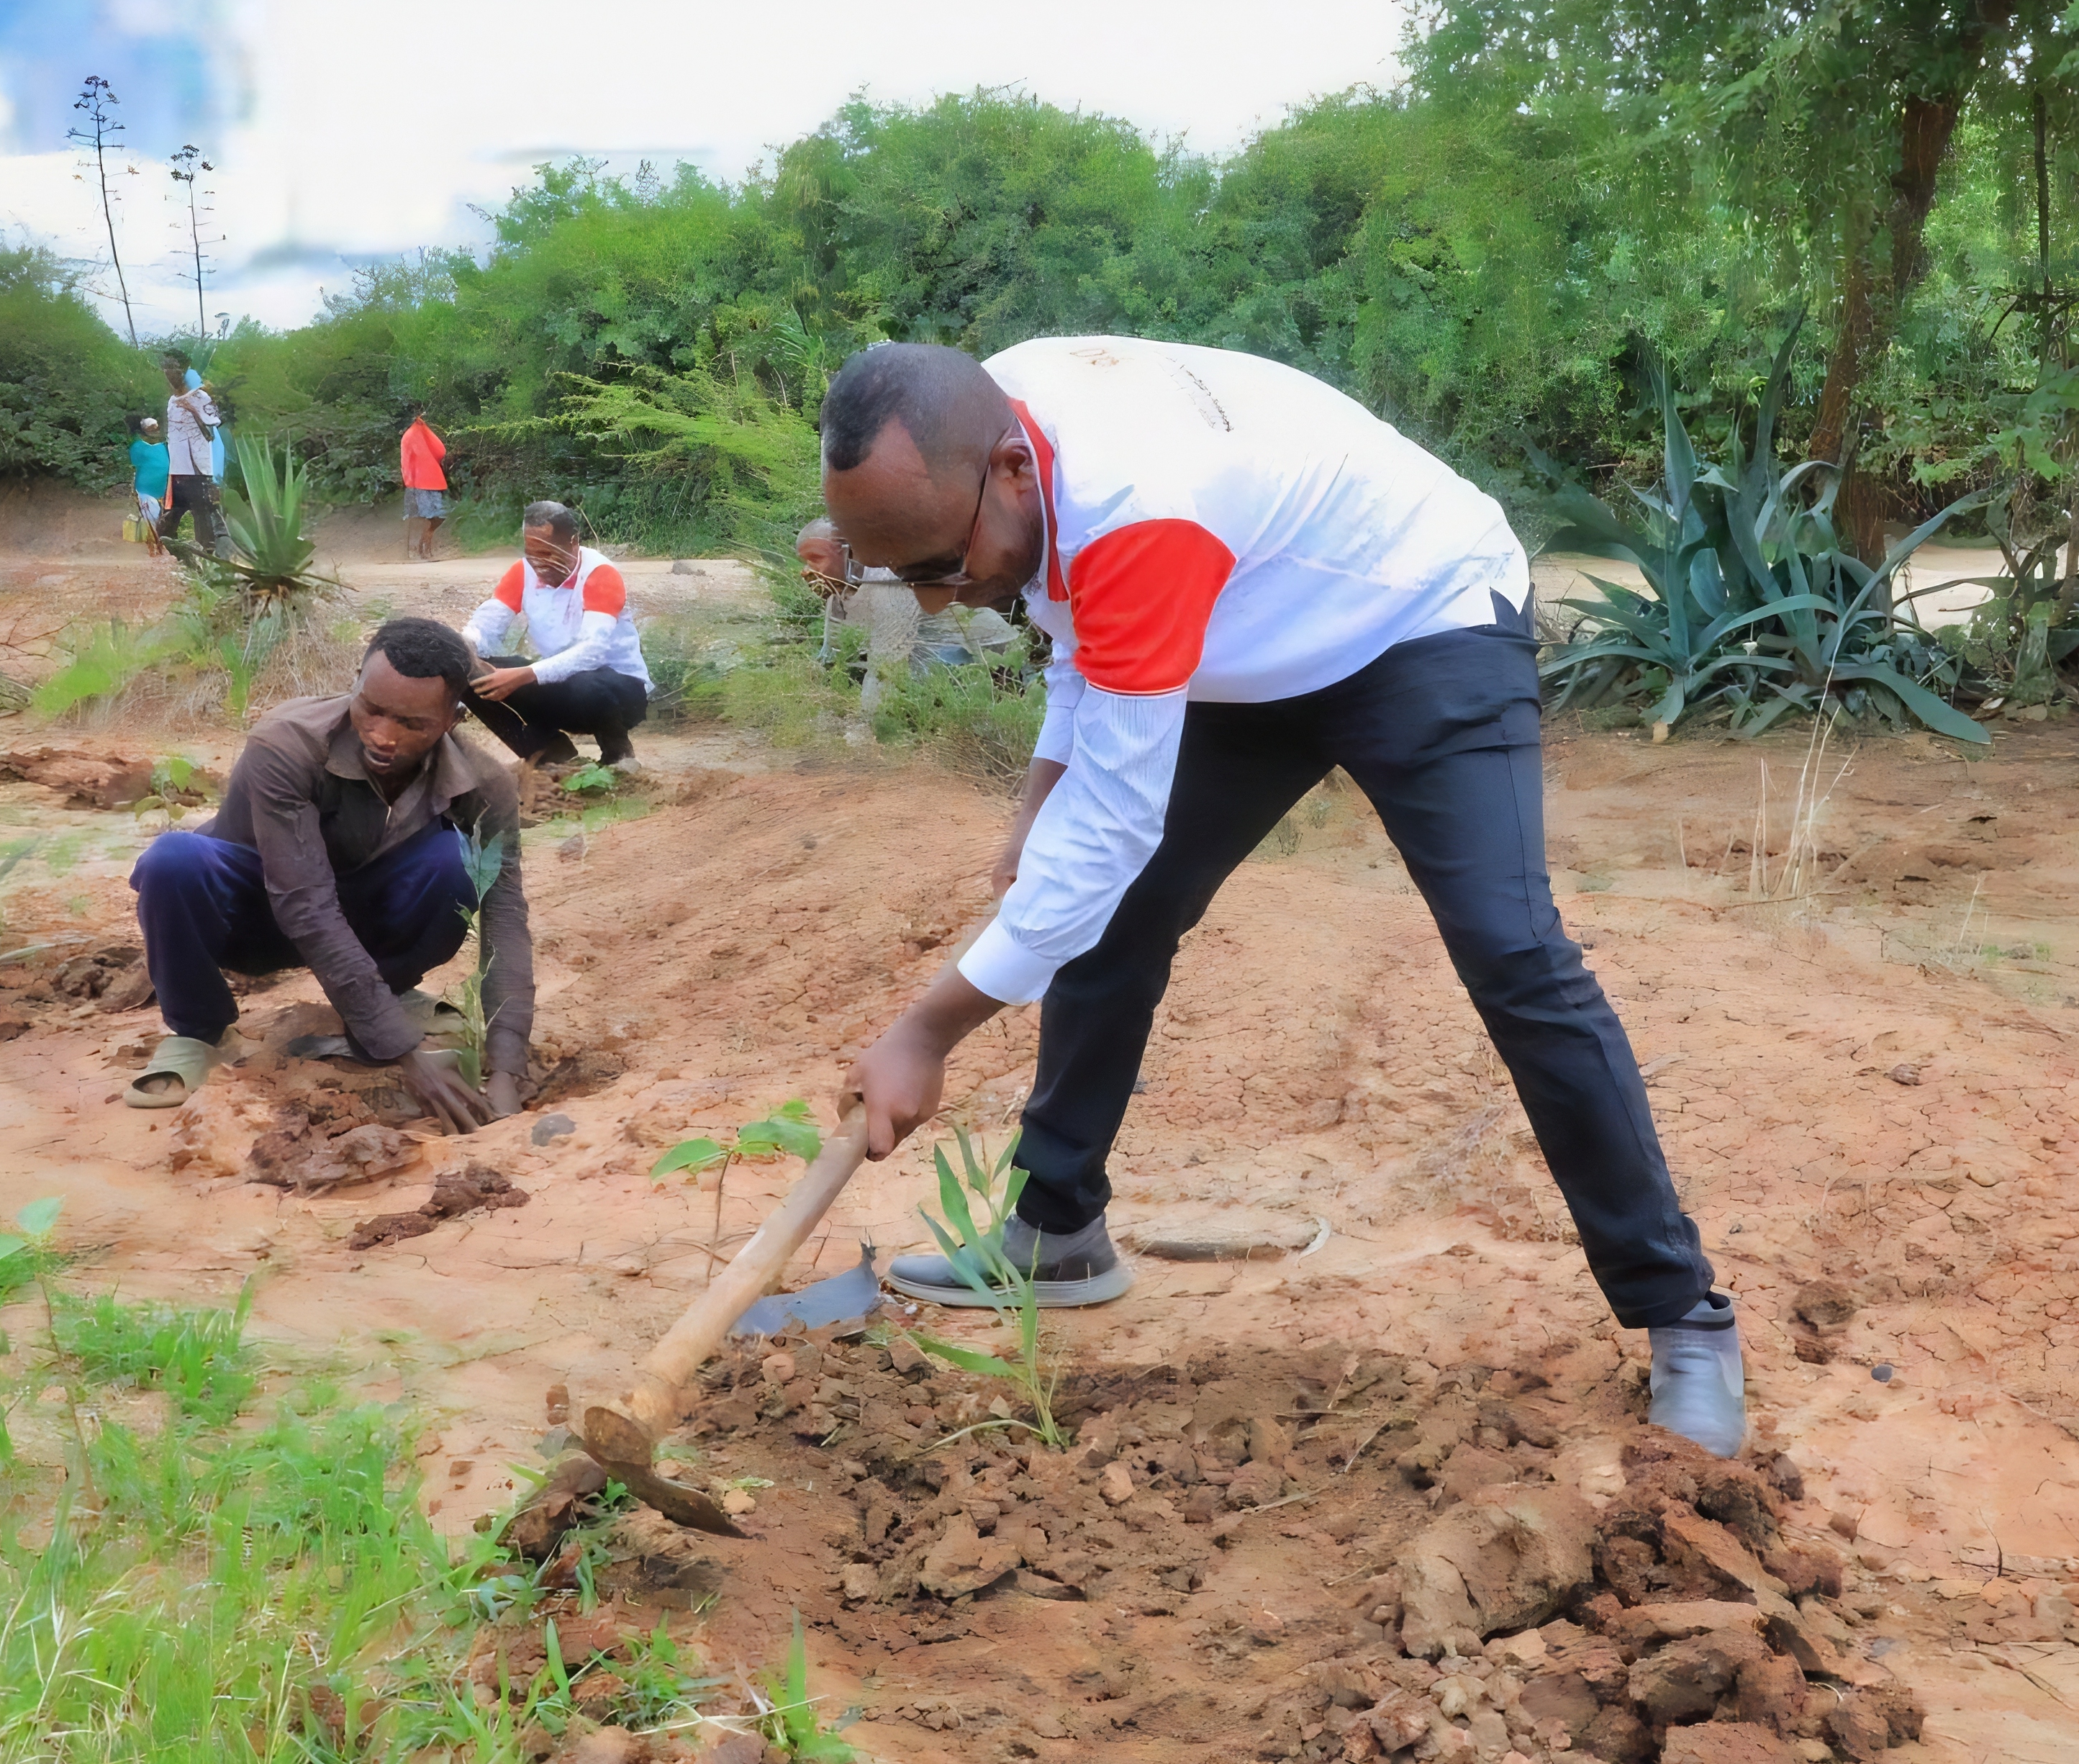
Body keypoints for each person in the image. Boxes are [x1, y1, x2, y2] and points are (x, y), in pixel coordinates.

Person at [825, 338, 1746, 1457]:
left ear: (1013, 471)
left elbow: (1113, 804)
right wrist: (1036, 807)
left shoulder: (1135, 497)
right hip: (1237, 634)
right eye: (905, 577)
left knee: (1514, 955)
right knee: (1111, 923)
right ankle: (1056, 1233)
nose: (933, 603)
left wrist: (926, 1032)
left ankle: (1681, 1317)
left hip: (1415, 617)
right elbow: (1079, 636)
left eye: (941, 567)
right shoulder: (986, 438)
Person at [121, 616, 530, 1132]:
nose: (383, 735)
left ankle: (390, 992)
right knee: (172, 861)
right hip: (259, 915)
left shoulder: (484, 784)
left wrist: (508, 1068)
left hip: (366, 921)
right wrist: (405, 1054)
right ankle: (199, 1032)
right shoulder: (286, 744)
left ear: (452, 720)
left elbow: (506, 917)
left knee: (456, 862)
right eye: (371, 709)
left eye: (412, 724)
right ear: (355, 683)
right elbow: (304, 902)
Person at [459, 500, 652, 774]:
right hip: (561, 685)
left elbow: (591, 652)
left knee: (585, 678)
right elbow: (486, 625)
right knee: (468, 671)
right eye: (531, 554)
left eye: (548, 554)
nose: (539, 565)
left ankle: (619, 756)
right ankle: (547, 751)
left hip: (621, 693)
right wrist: (463, 648)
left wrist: (523, 675)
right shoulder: (522, 571)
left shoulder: (600, 574)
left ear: (574, 542)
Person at [159, 355, 225, 556]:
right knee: (177, 509)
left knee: (201, 510)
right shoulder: (171, 402)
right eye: (167, 369)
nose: (171, 374)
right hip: (179, 467)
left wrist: (193, 410)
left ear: (184, 371)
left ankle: (207, 552)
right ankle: (162, 544)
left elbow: (214, 425)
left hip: (198, 467)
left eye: (175, 368)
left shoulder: (201, 398)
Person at [402, 408, 448, 561]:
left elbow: (440, 451)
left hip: (430, 482)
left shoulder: (420, 433)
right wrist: (409, 482)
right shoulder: (410, 436)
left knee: (436, 516)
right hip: (418, 484)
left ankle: (423, 549)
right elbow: (407, 461)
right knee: (421, 517)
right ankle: (418, 552)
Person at [127, 415, 168, 557]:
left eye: (155, 429)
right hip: (145, 490)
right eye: (151, 429)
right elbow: (134, 464)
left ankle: (159, 546)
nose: (154, 432)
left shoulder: (166, 446)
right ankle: (154, 548)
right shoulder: (138, 447)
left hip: (164, 492)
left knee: (159, 520)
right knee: (150, 519)